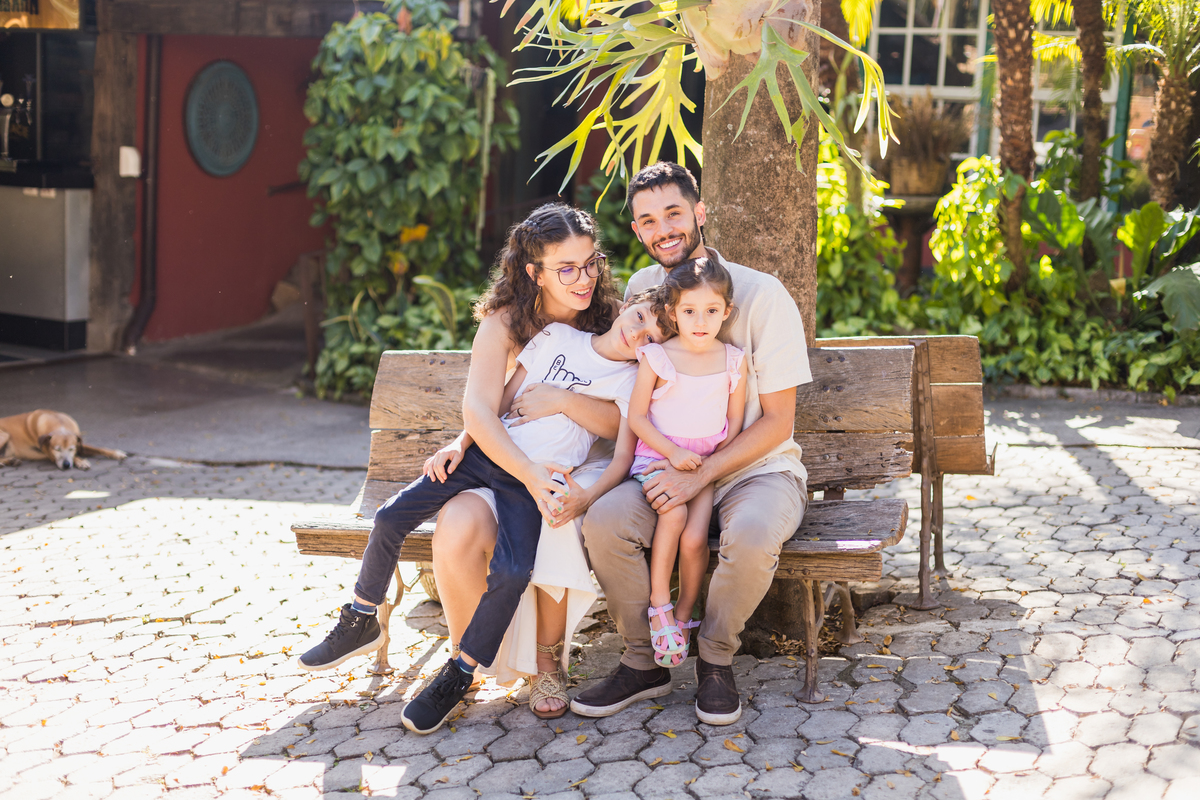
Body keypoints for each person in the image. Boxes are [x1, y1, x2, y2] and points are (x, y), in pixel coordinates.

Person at [296, 204, 665, 732]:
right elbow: (488, 405)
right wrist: (466, 441)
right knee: (439, 521)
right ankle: (422, 644)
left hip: (580, 467)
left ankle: (542, 665)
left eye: (591, 264)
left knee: (549, 521)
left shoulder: (616, 320)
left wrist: (562, 403)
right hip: (510, 456)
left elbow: (624, 425)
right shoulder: (513, 323)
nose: (584, 278)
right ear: (534, 272)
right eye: (566, 268)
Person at [573, 162, 813, 726]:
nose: (663, 230)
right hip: (662, 460)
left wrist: (701, 474)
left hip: (755, 467)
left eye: (674, 213)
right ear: (637, 230)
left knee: (752, 535)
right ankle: (645, 659)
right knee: (605, 522)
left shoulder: (762, 295)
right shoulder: (642, 289)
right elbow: (625, 391)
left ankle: (715, 659)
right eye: (648, 220)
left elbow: (778, 422)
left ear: (700, 213)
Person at [626, 257, 747, 668]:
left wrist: (710, 464)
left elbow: (733, 422)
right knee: (674, 515)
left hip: (703, 467)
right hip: (658, 459)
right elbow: (637, 417)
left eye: (711, 311)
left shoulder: (732, 360)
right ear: (673, 312)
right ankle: (659, 606)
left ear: (726, 312)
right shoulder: (657, 357)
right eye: (690, 311)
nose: (700, 321)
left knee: (695, 539)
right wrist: (673, 454)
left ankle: (683, 616)